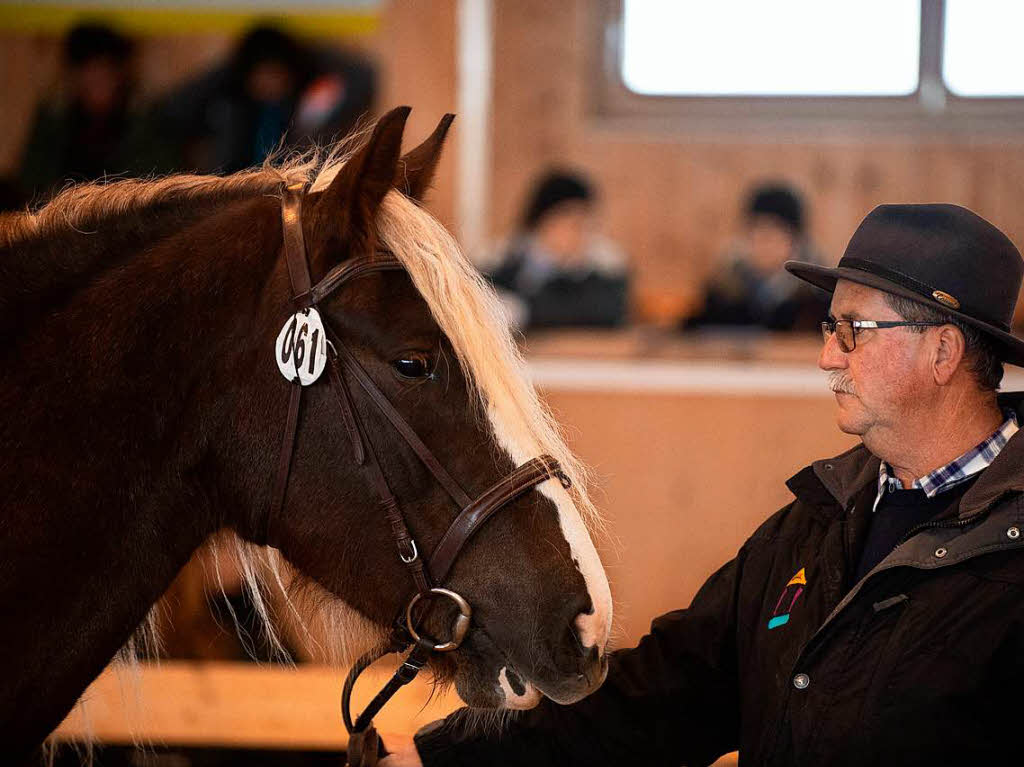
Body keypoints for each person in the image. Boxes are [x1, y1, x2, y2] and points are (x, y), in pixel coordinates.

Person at [384, 204, 1024, 766]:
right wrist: (445, 758)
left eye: (853, 330)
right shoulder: (817, 521)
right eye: (830, 330)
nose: (828, 356)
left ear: (943, 353)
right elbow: (657, 692)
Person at [158, 24, 375, 174]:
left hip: (291, 197)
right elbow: (173, 111)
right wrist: (226, 69)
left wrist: (308, 50)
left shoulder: (309, 107)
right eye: (261, 75)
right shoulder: (230, 107)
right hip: (235, 198)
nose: (269, 83)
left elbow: (363, 77)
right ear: (246, 75)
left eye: (276, 74)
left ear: (291, 73)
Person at [17, 22, 168, 201]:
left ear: (119, 76)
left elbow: (159, 184)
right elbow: (30, 180)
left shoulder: (143, 122)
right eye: (89, 75)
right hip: (59, 217)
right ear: (76, 77)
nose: (97, 84)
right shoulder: (55, 120)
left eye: (104, 74)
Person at [485, 169, 629, 330]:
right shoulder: (502, 259)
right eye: (571, 223)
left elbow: (603, 311)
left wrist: (523, 311)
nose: (580, 234)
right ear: (542, 222)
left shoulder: (605, 266)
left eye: (585, 224)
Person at [686, 183, 828, 331]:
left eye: (773, 233)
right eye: (756, 232)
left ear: (796, 241)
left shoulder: (815, 300)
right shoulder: (723, 293)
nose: (763, 243)